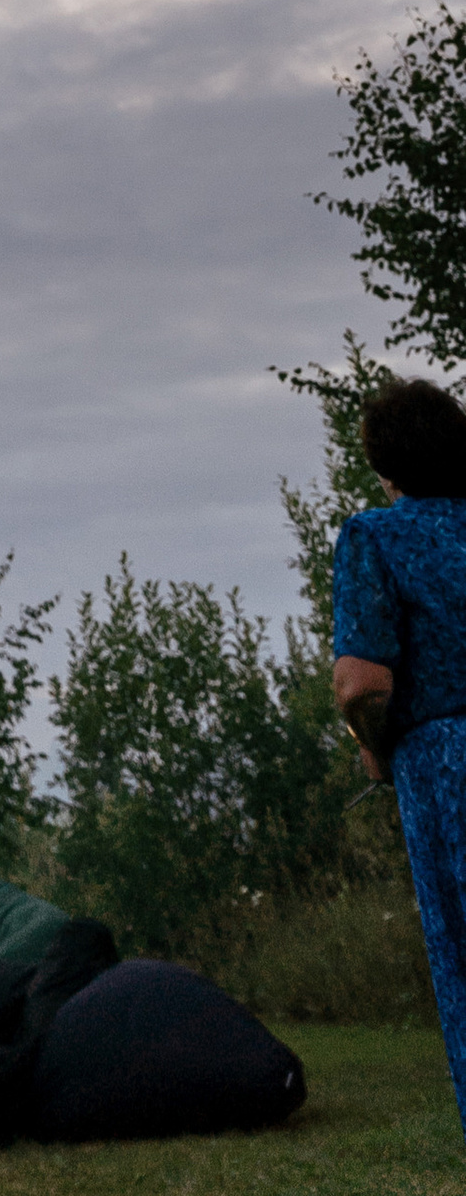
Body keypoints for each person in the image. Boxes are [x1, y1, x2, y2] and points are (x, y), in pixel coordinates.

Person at [332, 373, 466, 1135]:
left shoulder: (377, 536)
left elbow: (360, 685)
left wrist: (372, 750)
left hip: (448, 766)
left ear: (389, 468)